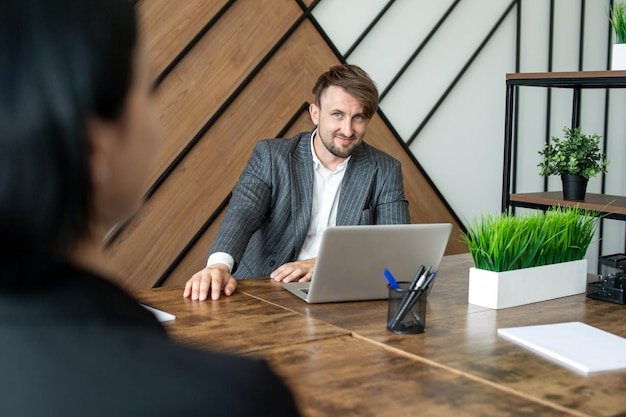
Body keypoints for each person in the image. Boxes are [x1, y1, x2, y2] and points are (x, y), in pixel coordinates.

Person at [0, 1, 300, 416]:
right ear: (96, 145)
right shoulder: (231, 398)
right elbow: (243, 212)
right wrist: (219, 263)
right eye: (146, 92)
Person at [184, 64, 410, 301]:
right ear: (315, 114)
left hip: (343, 291)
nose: (348, 129)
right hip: (267, 288)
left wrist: (328, 264)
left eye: (358, 118)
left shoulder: (385, 169)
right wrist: (219, 266)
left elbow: (394, 247)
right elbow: (242, 213)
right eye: (337, 114)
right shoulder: (272, 156)